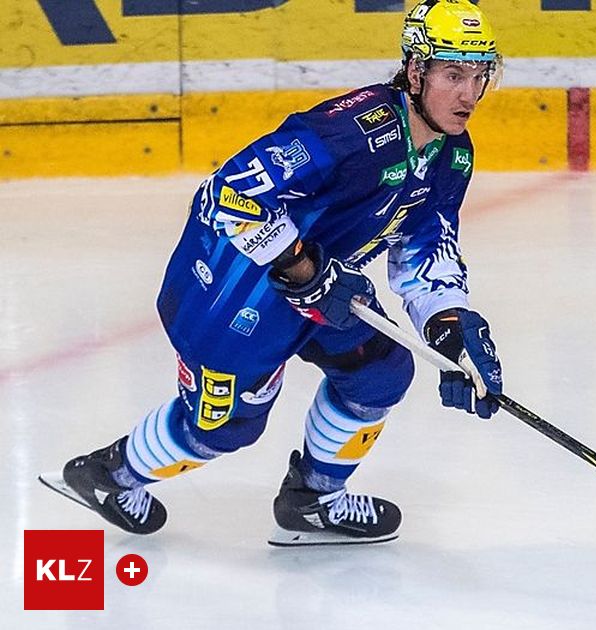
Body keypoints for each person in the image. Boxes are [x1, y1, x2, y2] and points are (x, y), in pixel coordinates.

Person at [40, 0, 504, 547]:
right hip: (235, 291)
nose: (468, 95)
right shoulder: (351, 132)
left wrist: (448, 324)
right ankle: (111, 475)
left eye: (479, 76)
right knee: (226, 427)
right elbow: (230, 191)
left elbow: (425, 247)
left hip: (322, 290)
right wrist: (302, 267)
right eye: (453, 75)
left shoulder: (452, 155)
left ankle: (312, 500)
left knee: (380, 373)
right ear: (415, 70)